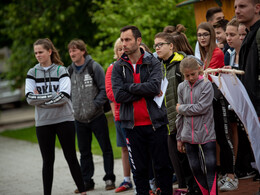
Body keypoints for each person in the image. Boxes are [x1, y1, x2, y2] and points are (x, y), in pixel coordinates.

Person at [112, 25, 173, 195]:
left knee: (163, 168)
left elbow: (154, 87)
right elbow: (118, 96)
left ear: (138, 41)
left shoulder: (152, 61)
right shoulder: (118, 67)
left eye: (128, 40)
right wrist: (142, 90)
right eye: (122, 40)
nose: (124, 44)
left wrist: (129, 87)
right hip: (131, 127)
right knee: (139, 171)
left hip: (156, 124)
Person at [25, 38, 86, 195]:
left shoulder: (62, 70)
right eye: (36, 53)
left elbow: (65, 96)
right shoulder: (32, 73)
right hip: (43, 122)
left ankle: (83, 191)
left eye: (41, 52)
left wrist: (42, 100)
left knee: (71, 157)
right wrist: (53, 95)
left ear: (49, 52)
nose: (38, 55)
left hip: (64, 120)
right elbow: (29, 98)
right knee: (47, 161)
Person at [67, 39, 116, 193]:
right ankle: (87, 181)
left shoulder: (94, 67)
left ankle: (109, 178)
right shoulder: (69, 71)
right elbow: (67, 93)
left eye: (75, 50)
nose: (72, 53)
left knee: (106, 149)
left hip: (97, 116)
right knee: (84, 152)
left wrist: (95, 105)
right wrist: (73, 108)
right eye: (70, 51)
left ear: (83, 51)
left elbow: (104, 89)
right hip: (79, 119)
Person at [197, 22, 239, 192]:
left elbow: (206, 75)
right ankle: (223, 174)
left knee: (223, 136)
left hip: (217, 99)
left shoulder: (216, 52)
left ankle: (231, 175)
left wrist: (200, 73)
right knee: (214, 140)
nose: (202, 38)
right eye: (199, 35)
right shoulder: (202, 53)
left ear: (211, 36)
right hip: (206, 101)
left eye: (205, 34)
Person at [154, 25, 195, 194]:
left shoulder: (181, 64)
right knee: (176, 164)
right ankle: (185, 189)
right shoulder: (157, 67)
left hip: (184, 121)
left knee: (189, 162)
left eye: (160, 44)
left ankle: (195, 189)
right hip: (167, 123)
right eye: (155, 45)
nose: (156, 48)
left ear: (171, 46)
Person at [176, 57, 216, 195]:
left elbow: (202, 108)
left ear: (198, 69)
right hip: (187, 135)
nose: (191, 78)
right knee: (194, 167)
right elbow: (179, 116)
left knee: (210, 166)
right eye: (187, 76)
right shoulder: (181, 87)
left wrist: (181, 108)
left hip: (206, 133)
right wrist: (179, 138)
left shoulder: (206, 84)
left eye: (193, 74)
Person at [235, 0, 260, 181]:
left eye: (242, 6)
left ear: (257, 8)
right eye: (235, 7)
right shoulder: (251, 34)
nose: (237, 10)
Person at [105, 38, 133, 193]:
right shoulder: (111, 69)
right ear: (116, 53)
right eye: (119, 50)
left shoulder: (133, 67)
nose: (122, 52)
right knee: (124, 148)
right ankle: (127, 179)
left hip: (135, 113)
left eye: (124, 48)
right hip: (119, 114)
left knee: (137, 147)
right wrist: (131, 91)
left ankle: (149, 179)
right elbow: (111, 93)